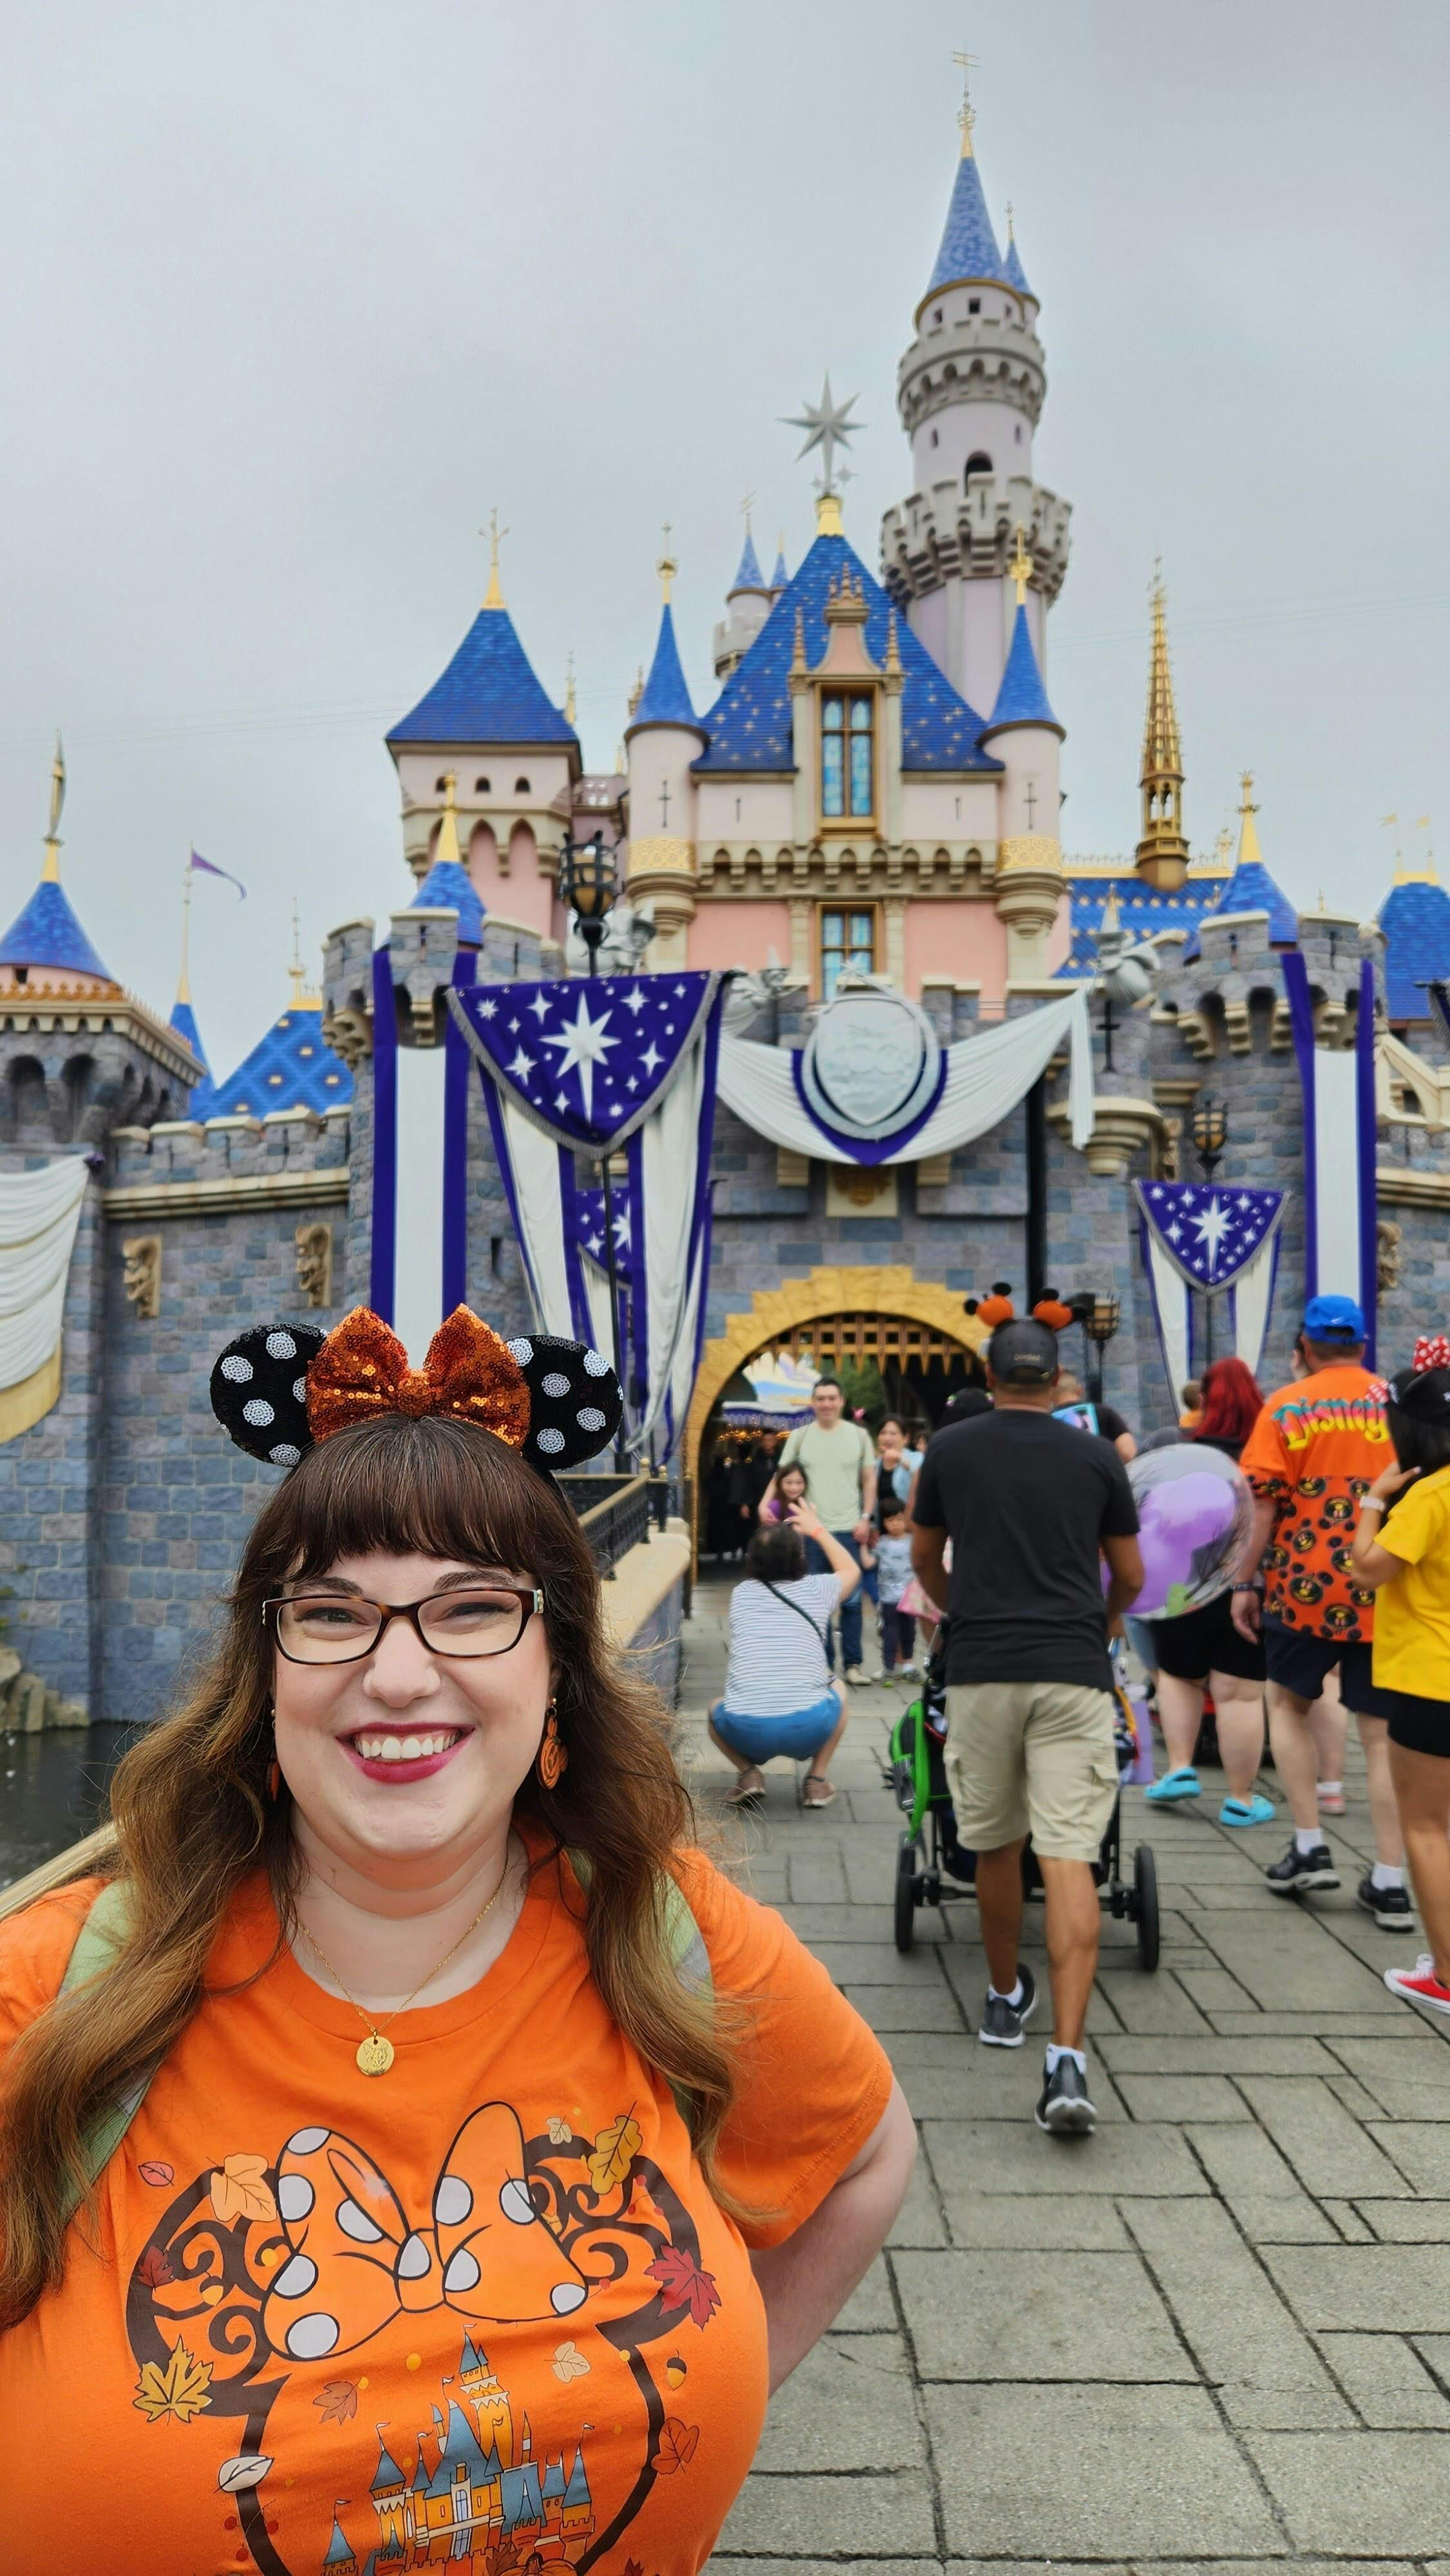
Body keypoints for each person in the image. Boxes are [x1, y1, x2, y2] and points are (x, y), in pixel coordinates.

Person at [0, 1303, 916, 2570]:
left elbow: (864, 2152)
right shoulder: (54, 1987)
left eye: (472, 1608)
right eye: (331, 1613)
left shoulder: (661, 1929)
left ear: (558, 1662)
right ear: (266, 1670)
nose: (396, 1674)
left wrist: (729, 2369)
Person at [910, 1317, 1143, 2136]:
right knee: (1069, 1852)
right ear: (1055, 1377)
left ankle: (1004, 1996)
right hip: (1071, 1669)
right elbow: (1130, 1573)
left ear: (990, 1374)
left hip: (980, 1668)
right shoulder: (1094, 1454)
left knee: (994, 1844)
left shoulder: (950, 1449)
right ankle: (1066, 2058)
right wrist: (1100, 1623)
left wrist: (960, 1611)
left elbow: (923, 1558)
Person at [1234, 1295, 1413, 1929]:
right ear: (1362, 1345)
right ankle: (1390, 1880)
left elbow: (1261, 1502)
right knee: (1381, 1734)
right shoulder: (1396, 1404)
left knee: (1287, 1705)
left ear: (1305, 1347)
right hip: (1383, 1582)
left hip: (1301, 1583)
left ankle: (1309, 1845)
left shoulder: (1285, 1406)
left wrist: (1242, 1580)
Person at [1348, 1340, 1450, 2013]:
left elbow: (1366, 1570)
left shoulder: (1427, 1496)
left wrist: (1372, 1502)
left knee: (1426, 1829)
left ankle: (1445, 1975)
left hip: (1430, 1679)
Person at [1143, 1356, 1274, 1826]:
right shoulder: (1266, 1450)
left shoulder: (1177, 1448)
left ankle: (1179, 1768)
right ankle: (1241, 1800)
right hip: (1249, 1586)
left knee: (1179, 1677)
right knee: (1240, 1696)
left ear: (1204, 1399)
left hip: (1184, 1584)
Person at [709, 1504, 858, 1809]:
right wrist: (818, 1530)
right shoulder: (818, 1589)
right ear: (799, 1556)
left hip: (744, 1729)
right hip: (809, 1726)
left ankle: (749, 1774)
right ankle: (816, 1781)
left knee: (714, 1710)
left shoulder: (742, 1594)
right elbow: (851, 1570)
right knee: (839, 1688)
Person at [764, 1376, 876, 1685]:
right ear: (813, 1403)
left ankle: (853, 1665)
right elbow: (781, 1476)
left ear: (842, 1401)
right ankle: (823, 1665)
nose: (826, 1404)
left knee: (852, 1602)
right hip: (811, 1530)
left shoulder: (859, 1436)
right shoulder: (800, 1436)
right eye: (821, 1399)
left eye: (832, 1398)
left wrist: (866, 1518)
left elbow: (869, 1481)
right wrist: (764, 1504)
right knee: (817, 1602)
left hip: (849, 1528)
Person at [871, 1502, 918, 1681]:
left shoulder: (913, 1541)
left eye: (899, 1519)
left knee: (909, 1631)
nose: (896, 1524)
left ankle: (908, 1665)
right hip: (888, 1598)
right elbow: (868, 1563)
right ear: (884, 1522)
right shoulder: (881, 1543)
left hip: (910, 1597)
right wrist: (862, 1545)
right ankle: (888, 1668)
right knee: (890, 1633)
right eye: (891, 1520)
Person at [1055, 1371, 1137, 1463]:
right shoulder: (1105, 1412)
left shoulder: (1047, 1420)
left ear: (1051, 1395)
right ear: (1080, 1390)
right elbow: (1128, 1453)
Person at [874, 1416, 925, 1517]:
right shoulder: (876, 1465)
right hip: (881, 1525)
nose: (887, 1438)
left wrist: (900, 1459)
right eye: (883, 1433)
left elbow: (923, 1477)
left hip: (910, 1523)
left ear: (906, 1438)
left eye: (893, 1434)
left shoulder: (918, 1458)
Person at [759, 1458, 810, 1524]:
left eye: (799, 1482)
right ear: (780, 1484)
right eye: (789, 1482)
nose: (794, 1488)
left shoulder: (803, 1505)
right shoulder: (775, 1507)